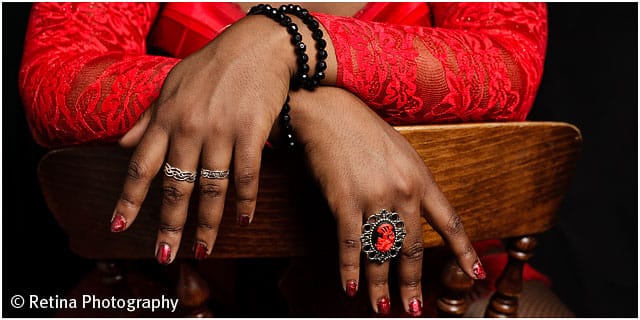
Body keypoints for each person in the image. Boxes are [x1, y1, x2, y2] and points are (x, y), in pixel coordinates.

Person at [19, 2, 548, 316]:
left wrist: (282, 45)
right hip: (175, 289)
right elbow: (56, 84)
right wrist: (304, 108)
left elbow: (508, 71)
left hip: (433, 280)